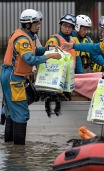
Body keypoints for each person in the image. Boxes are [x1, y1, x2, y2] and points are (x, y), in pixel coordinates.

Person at [1, 9, 61, 145]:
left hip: (11, 76)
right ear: (28, 25)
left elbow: (33, 51)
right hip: (13, 78)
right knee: (21, 113)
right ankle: (19, 154)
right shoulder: (22, 39)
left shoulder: (27, 35)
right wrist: (50, 56)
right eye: (36, 23)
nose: (39, 25)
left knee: (12, 111)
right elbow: (30, 59)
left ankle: (10, 147)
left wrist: (48, 48)